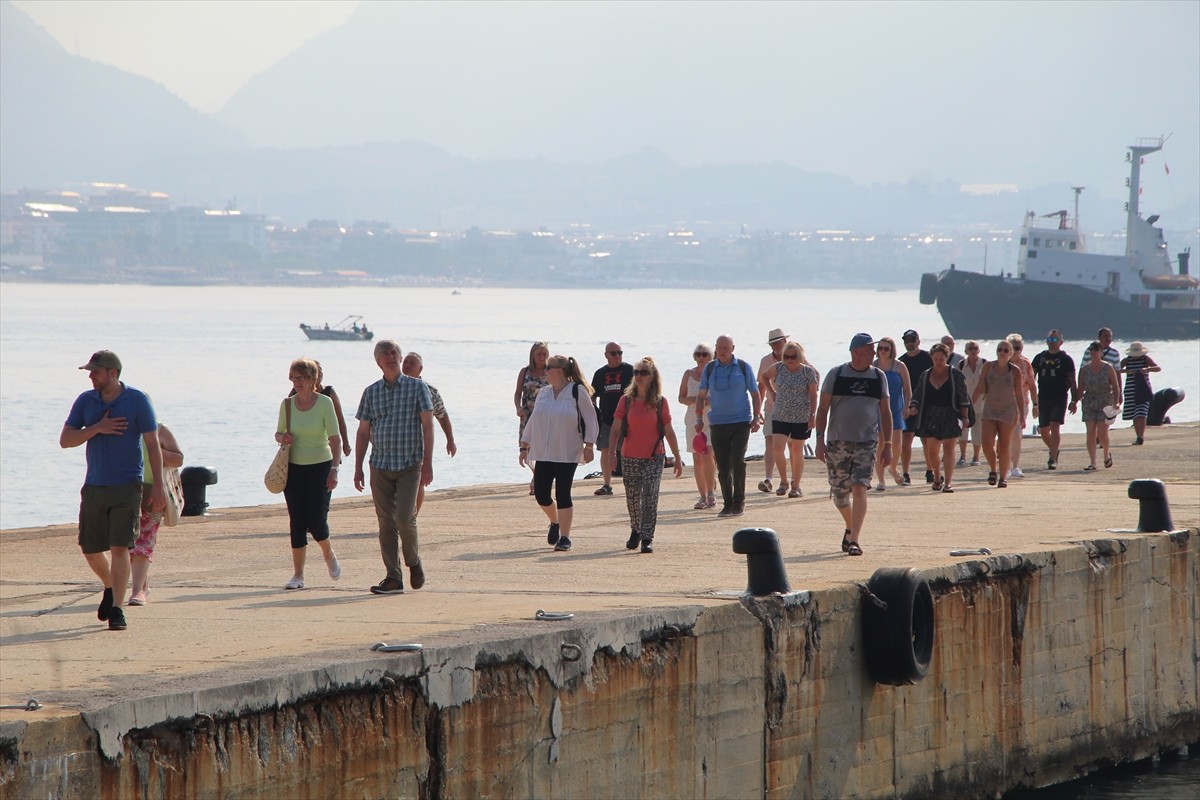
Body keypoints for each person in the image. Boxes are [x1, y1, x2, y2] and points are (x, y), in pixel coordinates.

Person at [60, 350, 166, 632]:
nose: (91, 376)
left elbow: (153, 444)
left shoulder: (137, 400)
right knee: (90, 548)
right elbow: (66, 440)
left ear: (113, 373)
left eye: (96, 371)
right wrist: (97, 428)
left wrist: (159, 487)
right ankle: (110, 586)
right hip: (94, 484)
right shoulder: (86, 401)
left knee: (120, 547)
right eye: (90, 372)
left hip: (127, 485)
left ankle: (118, 609)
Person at [354, 340, 434, 595]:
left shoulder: (417, 387)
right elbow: (363, 431)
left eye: (393, 353)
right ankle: (393, 577)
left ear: (400, 358)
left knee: (404, 517)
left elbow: (428, 426)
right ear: (377, 362)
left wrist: (429, 463)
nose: (390, 357)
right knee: (385, 523)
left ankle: (413, 562)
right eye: (384, 354)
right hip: (380, 465)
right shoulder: (371, 392)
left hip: (410, 464)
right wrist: (358, 467)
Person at [814, 333, 892, 556]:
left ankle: (855, 540)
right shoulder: (836, 374)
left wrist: (888, 444)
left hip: (867, 441)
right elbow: (822, 409)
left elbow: (885, 412)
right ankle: (850, 526)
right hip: (838, 441)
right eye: (869, 349)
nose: (874, 353)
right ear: (856, 351)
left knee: (859, 486)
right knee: (840, 494)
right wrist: (819, 440)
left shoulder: (878, 377)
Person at [519, 355, 599, 552]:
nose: (545, 371)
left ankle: (565, 537)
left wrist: (589, 446)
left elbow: (591, 419)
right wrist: (524, 445)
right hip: (543, 452)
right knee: (541, 494)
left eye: (549, 368)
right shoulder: (544, 393)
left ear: (560, 371)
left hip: (567, 450)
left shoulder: (576, 391)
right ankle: (555, 521)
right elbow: (533, 419)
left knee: (563, 493)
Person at [277, 358, 343, 590]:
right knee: (297, 521)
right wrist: (282, 437)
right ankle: (298, 575)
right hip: (294, 468)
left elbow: (335, 439)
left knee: (316, 521)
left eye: (301, 378)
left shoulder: (325, 403)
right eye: (293, 378)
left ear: (313, 379)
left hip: (321, 466)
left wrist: (335, 468)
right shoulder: (287, 404)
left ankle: (328, 552)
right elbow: (278, 434)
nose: (296, 383)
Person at [611, 357, 683, 553]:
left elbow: (669, 431)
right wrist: (611, 454)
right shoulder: (625, 401)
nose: (639, 376)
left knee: (650, 498)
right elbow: (615, 430)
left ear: (652, 377)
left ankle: (647, 537)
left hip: (654, 456)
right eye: (636, 372)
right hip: (629, 456)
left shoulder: (660, 403)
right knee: (633, 499)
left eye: (643, 373)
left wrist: (677, 456)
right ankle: (635, 529)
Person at [694, 335, 763, 517]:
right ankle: (728, 503)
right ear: (716, 349)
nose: (722, 351)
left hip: (741, 422)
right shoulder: (710, 369)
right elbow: (700, 396)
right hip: (717, 423)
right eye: (719, 347)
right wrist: (698, 419)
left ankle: (739, 501)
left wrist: (756, 417)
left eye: (726, 347)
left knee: (737, 461)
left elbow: (755, 394)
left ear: (733, 348)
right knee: (723, 466)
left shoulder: (742, 367)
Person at [128, 422, 184, 606]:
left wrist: (157, 451)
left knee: (144, 541)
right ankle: (142, 585)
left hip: (153, 492)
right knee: (127, 544)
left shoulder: (159, 430)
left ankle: (137, 591)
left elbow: (178, 459)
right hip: (124, 491)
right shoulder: (120, 427)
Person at [908, 343, 971, 493]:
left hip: (950, 414)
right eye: (935, 359)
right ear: (931, 358)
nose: (938, 362)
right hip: (931, 416)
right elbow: (917, 393)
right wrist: (913, 406)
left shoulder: (955, 374)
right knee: (932, 451)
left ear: (947, 357)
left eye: (941, 359)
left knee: (949, 449)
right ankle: (937, 476)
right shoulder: (926, 374)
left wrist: (965, 417)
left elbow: (963, 397)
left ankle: (948, 483)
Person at [402, 352, 457, 516]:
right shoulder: (391, 387)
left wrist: (450, 440)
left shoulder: (430, 391)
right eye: (405, 362)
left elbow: (442, 416)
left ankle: (412, 517)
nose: (407, 365)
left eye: (412, 363)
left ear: (421, 369)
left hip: (418, 444)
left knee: (417, 483)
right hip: (395, 442)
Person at [765, 340, 819, 498]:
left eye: (793, 356)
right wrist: (772, 393)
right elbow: (764, 376)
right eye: (787, 356)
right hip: (780, 414)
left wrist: (813, 414)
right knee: (777, 448)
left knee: (796, 450)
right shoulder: (779, 368)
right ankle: (783, 481)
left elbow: (814, 394)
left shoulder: (807, 372)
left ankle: (796, 485)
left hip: (801, 416)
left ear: (800, 355)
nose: (790, 360)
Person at [972, 339, 1025, 488]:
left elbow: (1019, 394)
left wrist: (1022, 415)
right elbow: (979, 387)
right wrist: (968, 407)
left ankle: (1003, 477)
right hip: (989, 409)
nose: (1002, 352)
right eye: (999, 349)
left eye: (1005, 350)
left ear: (1011, 354)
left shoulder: (1015, 371)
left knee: (1004, 445)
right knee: (987, 444)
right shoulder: (988, 366)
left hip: (1008, 411)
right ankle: (993, 469)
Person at [1031, 329, 1079, 470]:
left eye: (1055, 340)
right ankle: (1054, 450)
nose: (1052, 343)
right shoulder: (1039, 358)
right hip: (1043, 397)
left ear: (1061, 342)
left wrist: (1074, 400)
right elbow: (1031, 377)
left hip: (1059, 397)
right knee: (1044, 430)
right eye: (1050, 340)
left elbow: (1072, 380)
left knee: (1055, 425)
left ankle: (1052, 458)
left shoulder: (1066, 359)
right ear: (1046, 341)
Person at [591, 342, 633, 496]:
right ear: (606, 355)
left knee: (627, 451)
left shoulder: (630, 370)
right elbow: (592, 395)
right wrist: (594, 414)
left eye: (620, 352)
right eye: (613, 353)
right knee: (605, 450)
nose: (617, 356)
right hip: (607, 419)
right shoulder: (600, 374)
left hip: (627, 419)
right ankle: (607, 484)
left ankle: (631, 484)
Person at [678, 343, 717, 509]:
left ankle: (711, 494)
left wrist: (709, 401)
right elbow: (681, 397)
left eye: (705, 354)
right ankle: (702, 495)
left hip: (710, 419)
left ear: (710, 357)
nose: (701, 357)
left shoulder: (715, 373)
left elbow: (721, 396)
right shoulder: (688, 374)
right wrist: (695, 400)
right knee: (697, 458)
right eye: (699, 354)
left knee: (707, 454)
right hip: (692, 419)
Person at [872, 336, 911, 489]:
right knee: (880, 444)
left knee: (895, 443)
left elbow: (907, 389)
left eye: (886, 348)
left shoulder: (899, 366)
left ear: (891, 350)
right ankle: (881, 480)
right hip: (877, 409)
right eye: (880, 348)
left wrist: (907, 406)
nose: (882, 351)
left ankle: (893, 469)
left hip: (896, 408)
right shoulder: (873, 366)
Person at [1078, 341, 1121, 471]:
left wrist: (1116, 402)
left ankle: (1106, 454)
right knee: (1090, 432)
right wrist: (1075, 401)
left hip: (1105, 400)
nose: (1094, 352)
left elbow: (1115, 386)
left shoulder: (1108, 367)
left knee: (1102, 432)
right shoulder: (1084, 369)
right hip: (1089, 400)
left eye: (1096, 349)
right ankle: (1092, 462)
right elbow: (1080, 388)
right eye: (1092, 349)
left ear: (1101, 352)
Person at [897, 329, 933, 484]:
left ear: (918, 341)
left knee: (927, 439)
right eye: (907, 340)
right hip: (907, 403)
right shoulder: (901, 361)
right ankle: (905, 473)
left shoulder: (927, 358)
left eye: (912, 339)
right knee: (906, 438)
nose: (909, 343)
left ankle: (930, 471)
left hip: (926, 404)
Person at [757, 328, 789, 494]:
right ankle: (768, 478)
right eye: (773, 343)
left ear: (785, 341)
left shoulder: (795, 357)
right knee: (769, 441)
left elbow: (812, 376)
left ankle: (790, 480)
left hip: (793, 409)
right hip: (771, 408)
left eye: (779, 342)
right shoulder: (765, 361)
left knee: (792, 445)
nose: (776, 345)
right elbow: (761, 386)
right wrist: (757, 411)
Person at [514, 342, 550, 494]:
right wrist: (518, 408)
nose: (542, 357)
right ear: (533, 356)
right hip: (528, 414)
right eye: (539, 354)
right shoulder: (525, 371)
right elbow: (517, 394)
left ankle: (538, 480)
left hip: (547, 415)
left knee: (543, 448)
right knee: (526, 448)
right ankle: (537, 474)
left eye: (544, 354)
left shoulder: (551, 371)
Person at [1005, 333, 1036, 478]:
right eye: (1014, 347)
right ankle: (1005, 465)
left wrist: (1036, 404)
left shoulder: (1026, 363)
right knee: (1005, 434)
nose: (1017, 350)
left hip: (1021, 402)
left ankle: (1015, 466)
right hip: (1004, 402)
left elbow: (1032, 384)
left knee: (1017, 432)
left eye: (1019, 347)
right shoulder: (1002, 363)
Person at [1119, 342, 1160, 445]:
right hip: (1130, 390)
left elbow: (1158, 368)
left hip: (1143, 389)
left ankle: (1141, 436)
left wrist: (1147, 369)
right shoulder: (1127, 360)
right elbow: (1115, 370)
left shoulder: (1145, 359)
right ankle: (1138, 436)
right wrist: (1127, 371)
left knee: (1141, 414)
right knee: (1134, 415)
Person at [958, 341, 986, 467]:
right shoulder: (961, 365)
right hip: (964, 402)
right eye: (970, 348)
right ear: (966, 351)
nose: (973, 351)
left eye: (975, 348)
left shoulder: (985, 364)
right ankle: (962, 456)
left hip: (981, 403)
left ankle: (976, 456)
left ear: (979, 350)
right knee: (963, 429)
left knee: (977, 431)